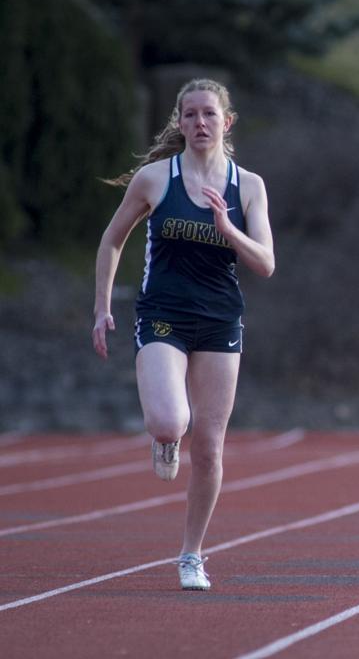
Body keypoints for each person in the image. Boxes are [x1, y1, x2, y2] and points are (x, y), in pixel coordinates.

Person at [92, 78, 275, 591]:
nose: (199, 123)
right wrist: (101, 307)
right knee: (171, 421)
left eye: (209, 114)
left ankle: (191, 555)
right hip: (163, 314)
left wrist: (229, 228)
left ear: (226, 122)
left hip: (220, 320)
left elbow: (266, 263)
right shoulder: (155, 178)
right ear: (179, 121)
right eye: (190, 114)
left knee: (210, 449)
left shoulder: (248, 186)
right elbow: (112, 240)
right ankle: (166, 439)